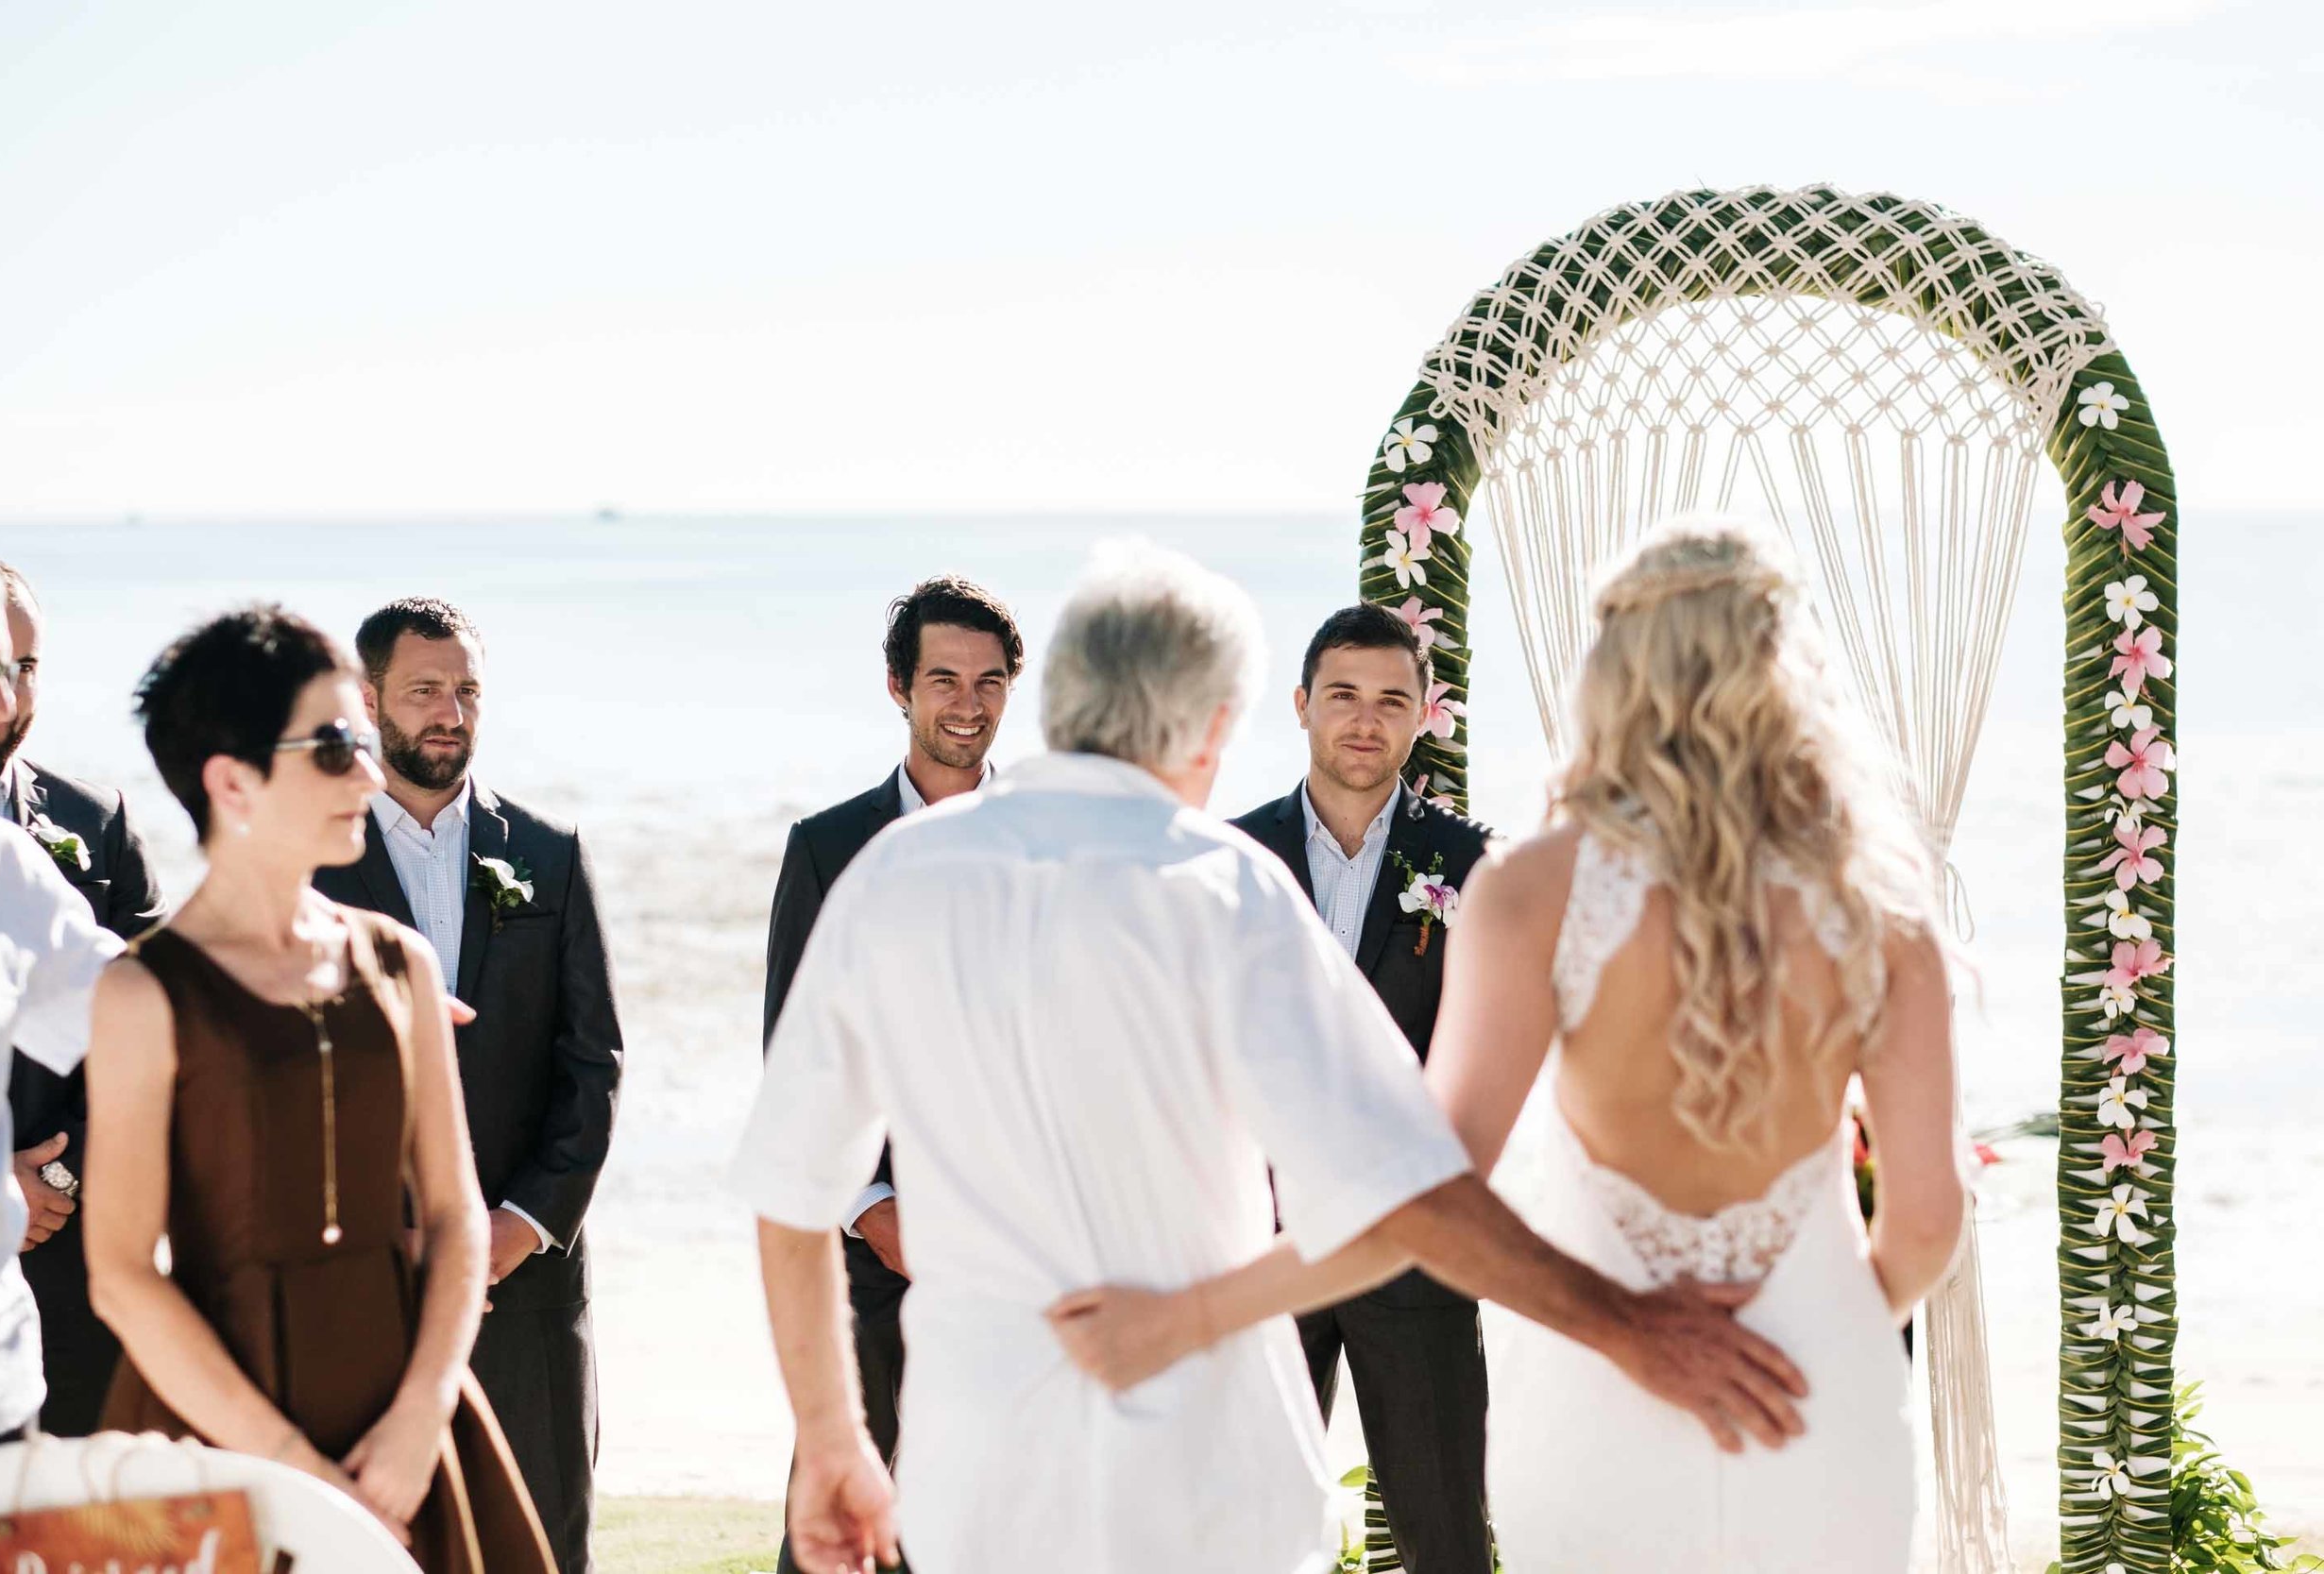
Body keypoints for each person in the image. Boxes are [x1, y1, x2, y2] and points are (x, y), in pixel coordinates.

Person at [736, 542, 1805, 1574]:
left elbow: (790, 1188)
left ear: (1051, 695)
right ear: (1213, 725)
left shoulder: (891, 877)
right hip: (1203, 1482)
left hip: (975, 1475)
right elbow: (1408, 1194)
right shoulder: (1222, 890)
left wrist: (832, 1437)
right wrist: (1623, 1324)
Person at [1057, 521, 1965, 1571]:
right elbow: (1929, 1224)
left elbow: (1427, 1197)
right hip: (1817, 1395)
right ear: (1784, 676)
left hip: (1605, 1406)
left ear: (1616, 674)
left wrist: (1190, 1313)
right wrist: (1820, 1330)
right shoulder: (1882, 906)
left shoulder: (1537, 886)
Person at [83, 606, 555, 1574]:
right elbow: (125, 1274)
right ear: (232, 780)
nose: (372, 773)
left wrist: (422, 1414)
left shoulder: (400, 962)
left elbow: (458, 1216)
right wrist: (295, 1470)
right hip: (217, 1436)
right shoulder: (141, 992)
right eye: (336, 746)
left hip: (410, 1424)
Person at [312, 597, 622, 1574]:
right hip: (360, 1280)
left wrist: (518, 1227)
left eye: (467, 691)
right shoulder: (313, 861)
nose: (450, 712)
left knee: (541, 1540)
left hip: (525, 1287)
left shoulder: (548, 853)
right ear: (368, 701)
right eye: (425, 691)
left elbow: (593, 1064)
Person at [759, 573, 1022, 1574]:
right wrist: (873, 1209)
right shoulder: (825, 848)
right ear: (896, 687)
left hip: (1018, 1258)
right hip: (873, 1261)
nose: (968, 702)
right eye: (944, 678)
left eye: (989, 680)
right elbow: (798, 1057)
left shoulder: (1048, 841)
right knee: (842, 1526)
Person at [1230, 603, 1496, 1574]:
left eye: (1391, 699)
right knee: (1241, 1535)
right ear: (1300, 704)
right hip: (1257, 1248)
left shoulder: (1469, 866)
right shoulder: (1228, 858)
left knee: (1445, 1537)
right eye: (1341, 694)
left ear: (1423, 715)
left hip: (1414, 1251)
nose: (1364, 718)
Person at [0, 561, 169, 1435]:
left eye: (19, 667)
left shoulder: (9, 858)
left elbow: (139, 1011)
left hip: (10, 1343)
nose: (0, 698)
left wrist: (339, 979)